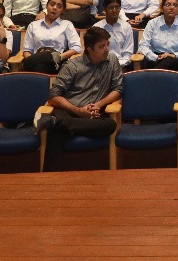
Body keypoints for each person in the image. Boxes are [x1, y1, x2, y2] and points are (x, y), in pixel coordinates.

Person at [37, 27, 122, 171]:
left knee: (110, 125)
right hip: (70, 109)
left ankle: (58, 124)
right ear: (89, 49)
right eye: (101, 46)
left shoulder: (112, 60)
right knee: (57, 131)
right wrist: (78, 111)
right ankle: (48, 180)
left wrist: (99, 104)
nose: (107, 49)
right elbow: (53, 96)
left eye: (108, 44)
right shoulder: (72, 66)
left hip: (94, 113)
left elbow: (118, 89)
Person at [22, 0, 82, 73]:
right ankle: (47, 56)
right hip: (36, 60)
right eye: (52, 4)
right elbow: (27, 50)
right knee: (40, 64)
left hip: (56, 63)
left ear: (63, 10)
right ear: (47, 6)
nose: (54, 8)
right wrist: (34, 60)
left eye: (59, 6)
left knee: (44, 64)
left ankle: (48, 56)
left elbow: (77, 47)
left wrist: (60, 56)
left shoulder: (67, 25)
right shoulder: (33, 25)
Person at [139, 0, 178, 71]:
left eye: (175, 5)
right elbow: (143, 46)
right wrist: (155, 57)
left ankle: (151, 76)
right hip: (156, 59)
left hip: (176, 60)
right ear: (162, 8)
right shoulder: (152, 23)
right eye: (168, 5)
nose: (171, 7)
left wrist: (174, 55)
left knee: (169, 60)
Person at [95, 0, 138, 69]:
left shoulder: (126, 27)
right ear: (104, 9)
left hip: (120, 66)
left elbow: (128, 54)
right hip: (100, 66)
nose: (114, 10)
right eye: (111, 7)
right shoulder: (96, 28)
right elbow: (94, 52)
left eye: (117, 7)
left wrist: (116, 65)